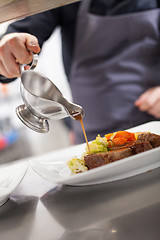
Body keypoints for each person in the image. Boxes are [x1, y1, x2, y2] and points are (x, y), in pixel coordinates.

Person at [0, 0, 160, 144]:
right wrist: (9, 47)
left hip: (154, 126)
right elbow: (19, 35)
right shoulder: (64, 3)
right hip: (89, 136)